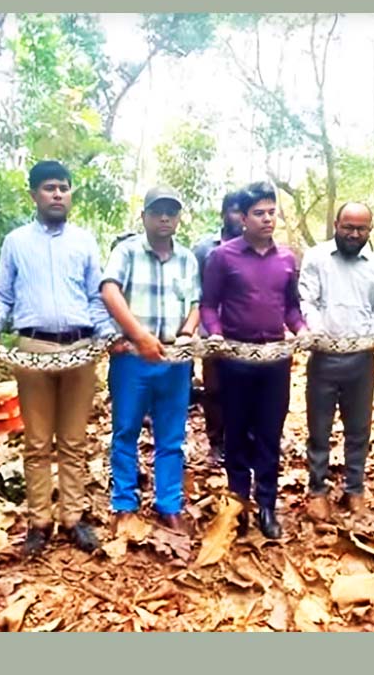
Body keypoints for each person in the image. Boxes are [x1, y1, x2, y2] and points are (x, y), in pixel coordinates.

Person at [0, 160, 114, 557]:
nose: (57, 194)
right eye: (49, 187)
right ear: (33, 194)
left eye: (64, 187)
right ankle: (39, 522)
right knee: (36, 441)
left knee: (73, 440)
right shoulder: (16, 242)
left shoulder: (84, 241)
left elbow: (95, 297)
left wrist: (108, 335)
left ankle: (73, 517)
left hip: (81, 349)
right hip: (33, 349)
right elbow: (3, 296)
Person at [200, 182, 307, 540]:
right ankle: (238, 503)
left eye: (271, 212)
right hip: (235, 359)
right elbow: (208, 305)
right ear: (242, 218)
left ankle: (266, 505)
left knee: (268, 434)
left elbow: (291, 307)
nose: (266, 219)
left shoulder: (287, 259)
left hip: (274, 360)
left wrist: (301, 329)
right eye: (258, 213)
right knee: (235, 434)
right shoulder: (223, 257)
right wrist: (214, 333)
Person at [100, 185, 200, 534]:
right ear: (143, 216)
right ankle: (125, 503)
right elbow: (109, 291)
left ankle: (169, 504)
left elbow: (195, 303)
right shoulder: (127, 252)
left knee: (171, 436)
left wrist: (188, 332)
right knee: (125, 430)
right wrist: (138, 336)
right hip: (132, 358)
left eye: (171, 212)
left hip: (175, 359)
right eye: (157, 211)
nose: (164, 218)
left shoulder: (187, 258)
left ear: (177, 218)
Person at [298, 203, 374, 521]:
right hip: (323, 357)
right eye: (348, 227)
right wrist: (316, 328)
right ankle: (317, 490)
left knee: (358, 430)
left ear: (369, 230)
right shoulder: (317, 258)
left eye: (361, 229)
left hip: (362, 360)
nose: (353, 234)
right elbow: (306, 299)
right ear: (336, 224)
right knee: (319, 429)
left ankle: (354, 489)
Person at [192, 192, 246, 466]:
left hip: (245, 334)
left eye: (242, 211)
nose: (238, 217)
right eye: (234, 211)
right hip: (210, 333)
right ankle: (216, 443)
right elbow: (195, 291)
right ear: (224, 213)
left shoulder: (254, 248)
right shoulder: (205, 249)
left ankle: (243, 442)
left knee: (245, 391)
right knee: (214, 390)